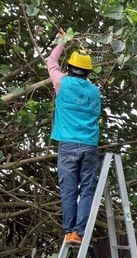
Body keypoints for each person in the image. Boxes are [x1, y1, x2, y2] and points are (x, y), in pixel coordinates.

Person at [47, 30, 101, 246]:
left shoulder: (62, 83)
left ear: (69, 68)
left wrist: (63, 41)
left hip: (68, 146)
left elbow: (51, 61)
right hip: (89, 146)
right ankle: (78, 232)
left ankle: (71, 231)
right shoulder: (95, 91)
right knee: (87, 190)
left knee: (69, 189)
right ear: (88, 72)